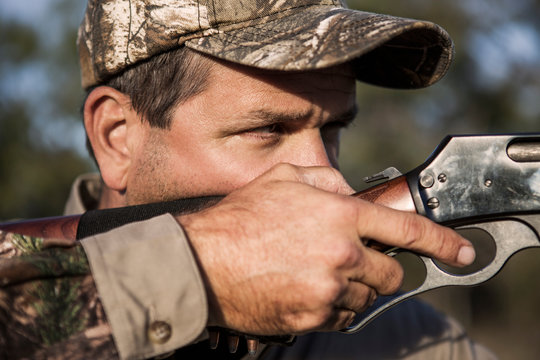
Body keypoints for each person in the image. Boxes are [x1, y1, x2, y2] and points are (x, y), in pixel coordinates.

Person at [0, 0, 496, 359]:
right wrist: (201, 270)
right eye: (267, 129)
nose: (332, 181)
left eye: (333, 129)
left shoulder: (400, 337)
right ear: (117, 138)